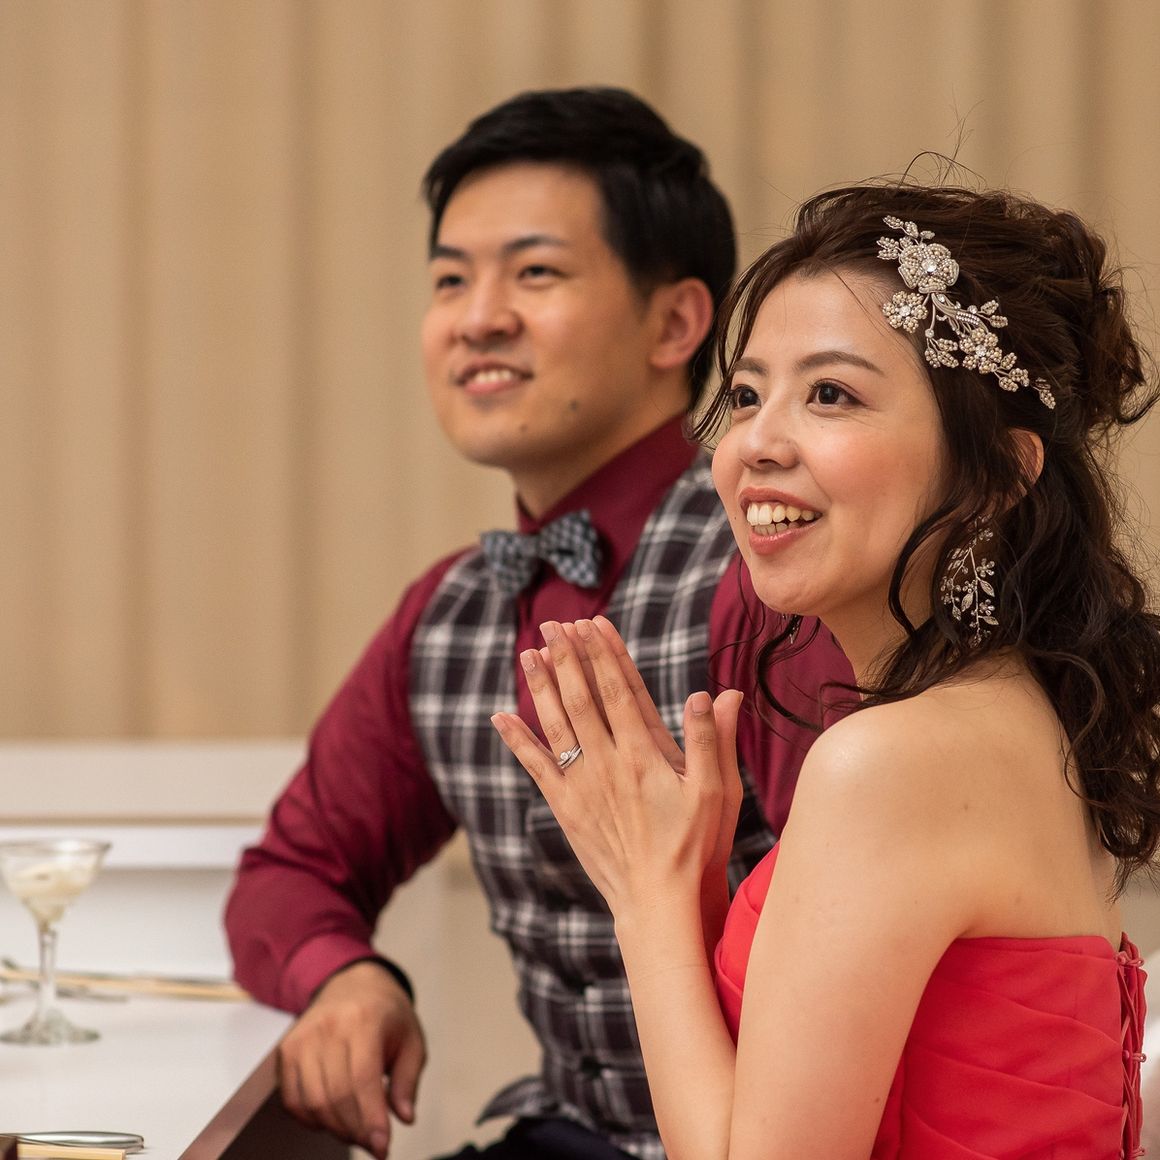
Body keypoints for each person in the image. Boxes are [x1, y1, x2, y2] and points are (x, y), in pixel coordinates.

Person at [224, 87, 850, 1160]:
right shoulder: (447, 613)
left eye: (535, 273)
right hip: (561, 1136)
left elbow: (851, 930)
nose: (478, 317)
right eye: (449, 279)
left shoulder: (771, 569)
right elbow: (291, 870)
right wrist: (347, 975)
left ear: (676, 323)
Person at [493, 180, 1160, 1158]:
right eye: (746, 394)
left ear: (993, 477)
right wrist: (692, 894)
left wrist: (644, 894)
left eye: (830, 394)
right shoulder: (1022, 718)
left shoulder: (892, 761)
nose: (754, 444)